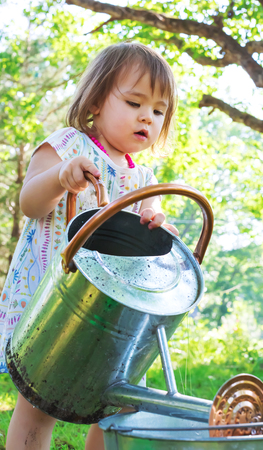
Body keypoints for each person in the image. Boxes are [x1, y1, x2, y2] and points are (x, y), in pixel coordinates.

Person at [1, 41, 178, 450]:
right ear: (96, 102)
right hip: (52, 300)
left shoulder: (146, 179)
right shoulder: (67, 146)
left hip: (112, 317)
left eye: (157, 110)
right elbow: (29, 203)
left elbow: (153, 241)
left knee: (122, 404)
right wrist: (61, 177)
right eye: (135, 102)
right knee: (37, 402)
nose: (146, 117)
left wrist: (156, 223)